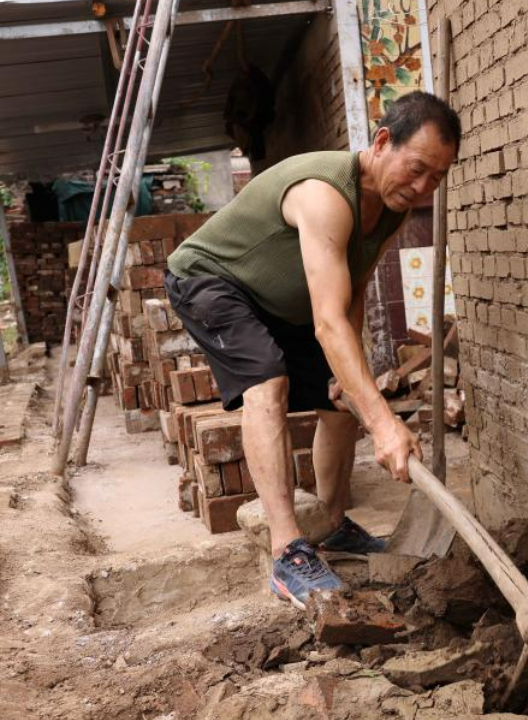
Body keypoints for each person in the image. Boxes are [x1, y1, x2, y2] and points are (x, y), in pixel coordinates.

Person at [164, 91, 460, 608]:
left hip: (281, 302)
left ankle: (330, 521)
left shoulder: (387, 209)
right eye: (416, 169)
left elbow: (348, 303)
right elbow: (326, 322)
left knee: (342, 400)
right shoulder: (325, 193)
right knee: (267, 383)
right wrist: (385, 422)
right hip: (212, 281)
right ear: (383, 141)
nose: (421, 188)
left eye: (436, 178)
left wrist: (357, 389)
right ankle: (288, 552)